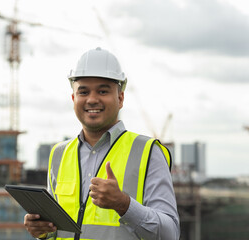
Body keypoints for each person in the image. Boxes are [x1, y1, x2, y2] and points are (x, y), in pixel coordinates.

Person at [24, 47, 180, 239]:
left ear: (120, 98)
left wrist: (124, 204)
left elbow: (170, 233)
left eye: (103, 91)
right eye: (83, 92)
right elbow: (59, 231)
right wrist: (43, 231)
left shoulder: (148, 152)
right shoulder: (59, 154)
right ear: (73, 98)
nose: (92, 99)